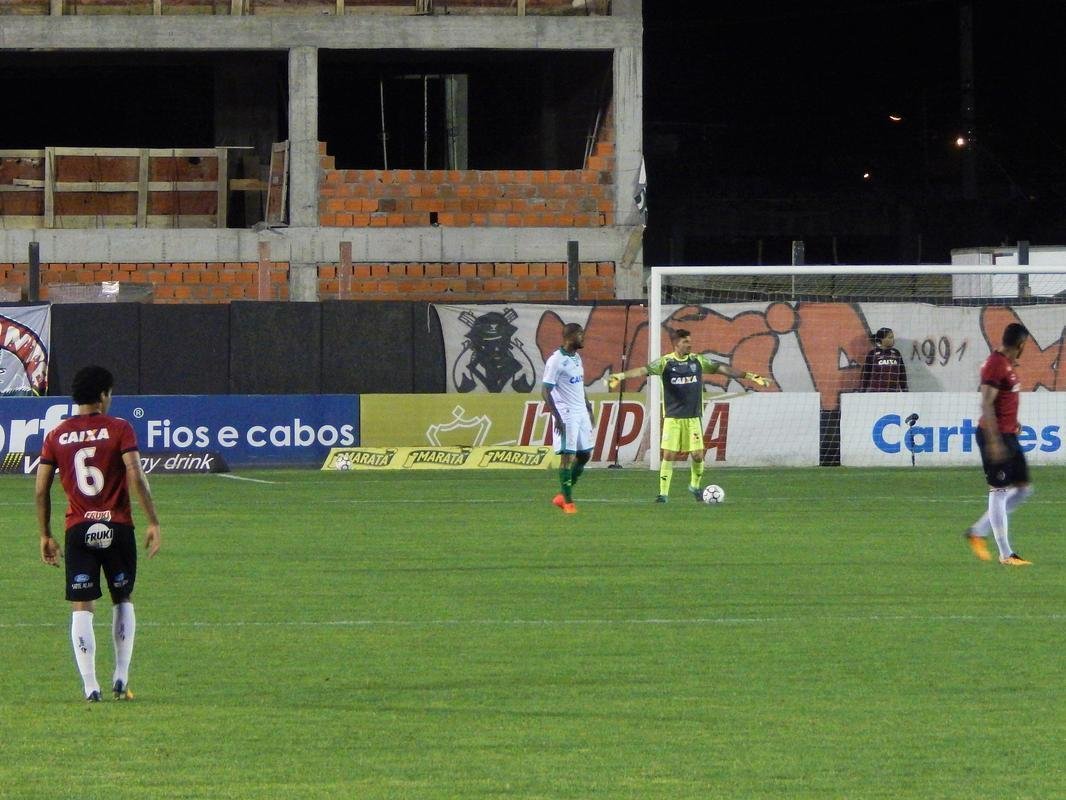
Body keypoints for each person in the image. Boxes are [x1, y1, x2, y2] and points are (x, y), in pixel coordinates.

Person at [36, 365, 162, 702]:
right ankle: (120, 677)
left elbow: (40, 489)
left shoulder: (56, 435)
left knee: (82, 606)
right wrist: (153, 521)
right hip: (117, 526)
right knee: (122, 598)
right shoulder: (119, 428)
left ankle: (91, 686)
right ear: (103, 395)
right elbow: (135, 475)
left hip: (78, 528)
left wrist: (45, 534)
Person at [607, 328, 771, 502]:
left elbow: (723, 369)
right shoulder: (665, 363)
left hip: (693, 418)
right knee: (668, 455)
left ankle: (695, 486)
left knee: (698, 455)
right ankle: (663, 494)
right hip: (672, 418)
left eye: (690, 341)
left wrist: (751, 376)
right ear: (676, 344)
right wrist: (621, 375)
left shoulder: (697, 361)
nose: (689, 344)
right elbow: (642, 371)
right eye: (686, 342)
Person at [964, 323, 1032, 566]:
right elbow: (986, 403)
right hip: (996, 437)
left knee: (1023, 488)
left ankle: (976, 531)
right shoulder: (996, 364)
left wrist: (1014, 422)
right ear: (1021, 344)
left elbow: (1003, 401)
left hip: (1008, 434)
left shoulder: (1005, 364)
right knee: (999, 490)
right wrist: (994, 442)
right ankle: (1006, 554)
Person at [542, 323, 593, 514]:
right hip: (567, 414)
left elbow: (579, 385)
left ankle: (562, 496)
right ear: (570, 337)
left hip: (581, 412)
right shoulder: (556, 360)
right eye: (581, 334)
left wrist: (588, 407)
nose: (583, 337)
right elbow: (545, 390)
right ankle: (569, 503)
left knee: (585, 455)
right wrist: (557, 418)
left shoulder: (576, 357)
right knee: (567, 456)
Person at [860, 327, 908, 392]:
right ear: (882, 339)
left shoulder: (896, 353)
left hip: (894, 393)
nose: (892, 340)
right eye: (890, 337)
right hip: (876, 393)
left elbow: (902, 374)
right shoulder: (872, 354)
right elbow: (865, 375)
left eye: (892, 337)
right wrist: (862, 392)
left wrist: (905, 391)